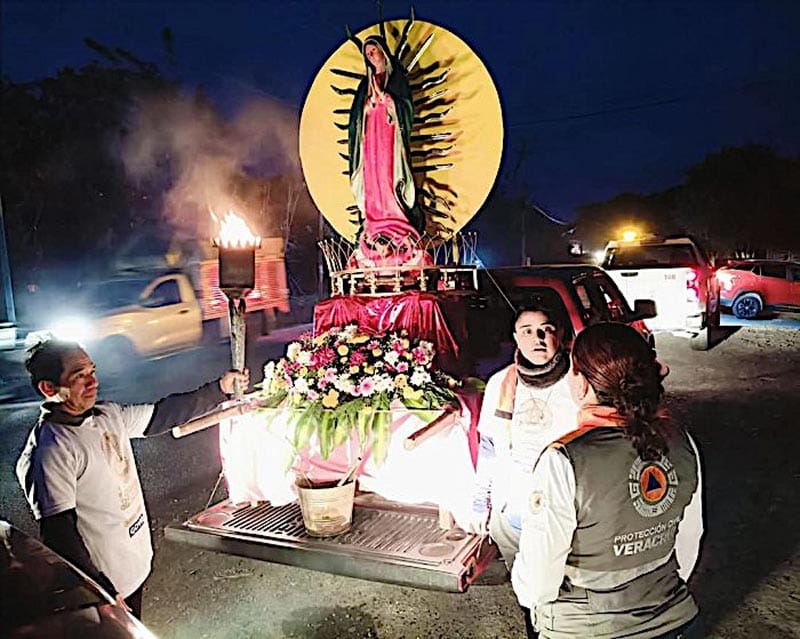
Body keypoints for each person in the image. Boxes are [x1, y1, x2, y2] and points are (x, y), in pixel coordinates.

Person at [15, 338, 249, 620]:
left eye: (92, 371)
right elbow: (60, 535)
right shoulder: (50, 451)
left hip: (134, 570)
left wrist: (219, 389)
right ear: (48, 388)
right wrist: (99, 591)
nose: (93, 382)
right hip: (107, 593)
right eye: (79, 376)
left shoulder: (107, 415)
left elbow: (162, 415)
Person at [512, 322, 704, 639]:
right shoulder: (682, 440)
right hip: (673, 617)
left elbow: (538, 581)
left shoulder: (564, 460)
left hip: (587, 628)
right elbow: (688, 541)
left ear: (580, 382)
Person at [470, 303, 577, 590]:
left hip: (565, 509)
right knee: (526, 587)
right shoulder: (500, 383)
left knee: (564, 588)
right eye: (527, 331)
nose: (537, 338)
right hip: (513, 509)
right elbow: (490, 447)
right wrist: (481, 502)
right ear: (516, 338)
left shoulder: (579, 382)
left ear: (560, 334)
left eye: (546, 329)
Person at [348, 35, 424, 267]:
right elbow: (355, 119)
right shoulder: (365, 85)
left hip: (389, 137)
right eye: (367, 53)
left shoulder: (397, 79)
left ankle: (394, 213)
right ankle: (375, 214)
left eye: (374, 51)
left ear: (383, 51)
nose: (371, 56)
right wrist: (367, 107)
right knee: (372, 177)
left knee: (388, 174)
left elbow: (406, 108)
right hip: (371, 140)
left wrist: (387, 100)